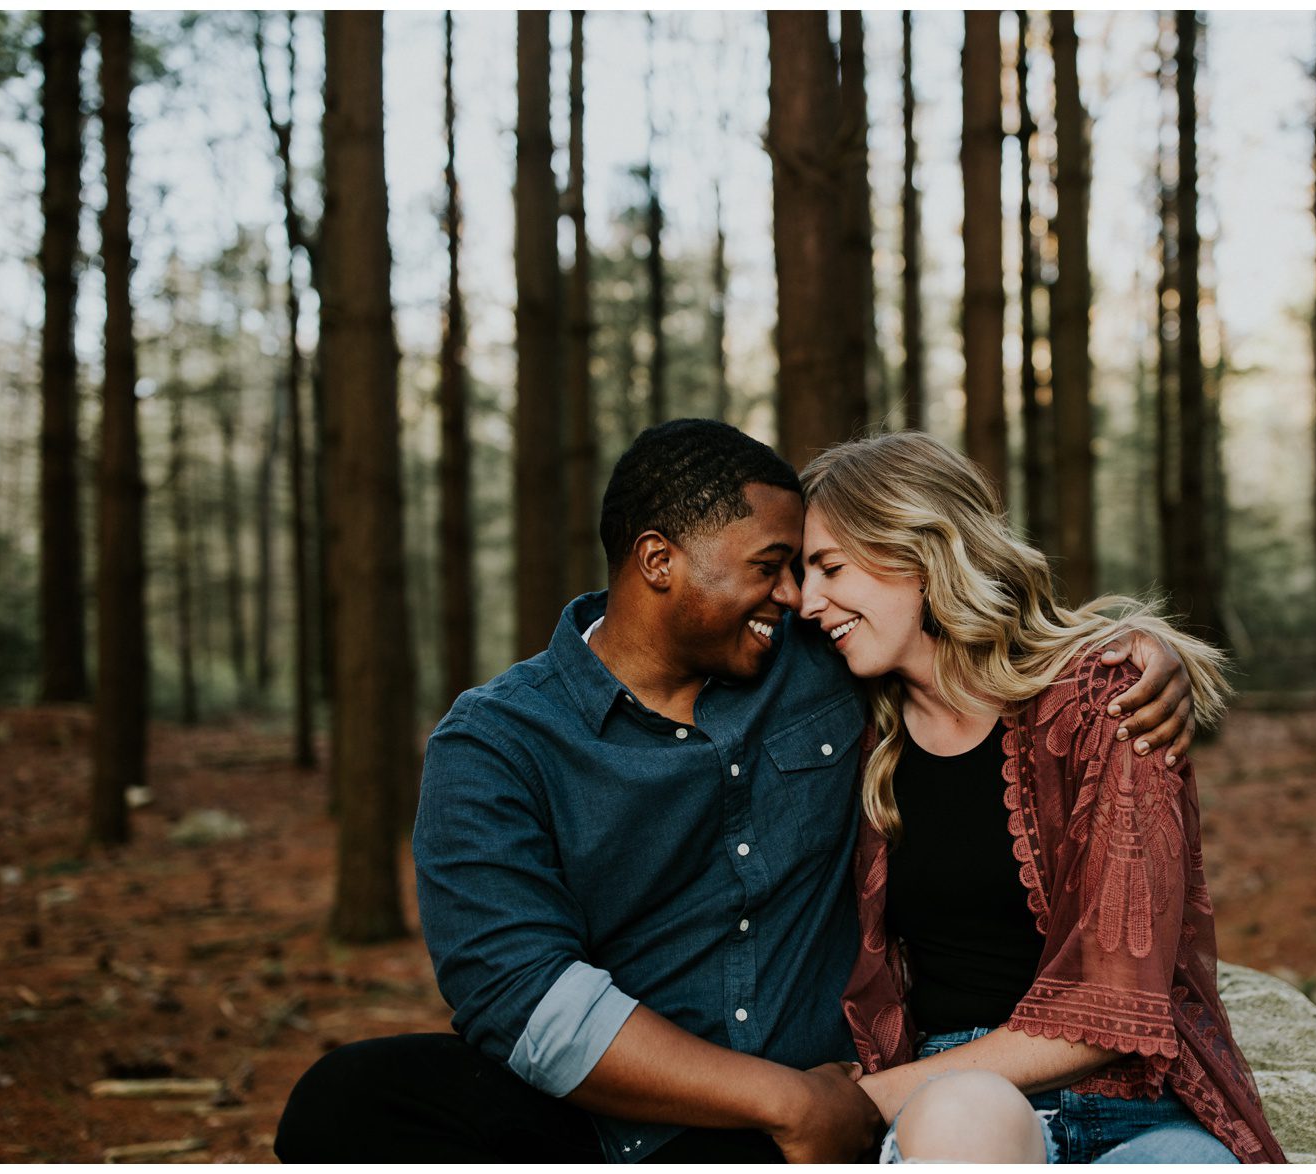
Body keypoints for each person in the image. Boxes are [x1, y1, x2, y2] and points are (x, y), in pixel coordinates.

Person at [274, 420, 1198, 1164]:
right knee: (349, 1101)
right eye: (773, 564)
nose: (797, 597)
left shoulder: (821, 661)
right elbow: (516, 992)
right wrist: (787, 1103)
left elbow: (960, 644)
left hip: (797, 1126)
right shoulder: (498, 742)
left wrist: (1138, 656)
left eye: (813, 568)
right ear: (659, 559)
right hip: (618, 1118)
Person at [797, 431, 1285, 1164]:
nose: (808, 602)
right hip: (955, 1105)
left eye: (829, 567)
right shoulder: (850, 729)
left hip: (1136, 1108)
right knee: (967, 1118)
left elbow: (1113, 1008)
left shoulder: (1103, 701)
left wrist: (857, 1103)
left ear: (916, 550)